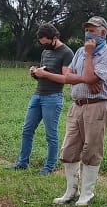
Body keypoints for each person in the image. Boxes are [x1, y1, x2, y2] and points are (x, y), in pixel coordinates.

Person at [34, 16, 107, 207]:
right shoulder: (78, 51)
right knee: (69, 149)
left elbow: (87, 77)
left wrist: (89, 58)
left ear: (103, 33)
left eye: (93, 30)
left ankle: (87, 193)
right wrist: (86, 79)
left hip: (97, 106)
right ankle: (71, 190)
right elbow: (67, 77)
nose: (88, 34)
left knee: (92, 149)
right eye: (87, 29)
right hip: (77, 105)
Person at [9, 22, 74, 174]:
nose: (45, 47)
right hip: (38, 95)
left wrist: (45, 74)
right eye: (42, 44)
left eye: (46, 43)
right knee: (27, 130)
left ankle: (49, 167)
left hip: (53, 97)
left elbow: (66, 78)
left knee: (51, 134)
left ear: (54, 38)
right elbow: (43, 74)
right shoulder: (45, 52)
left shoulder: (67, 53)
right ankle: (22, 163)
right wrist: (35, 73)